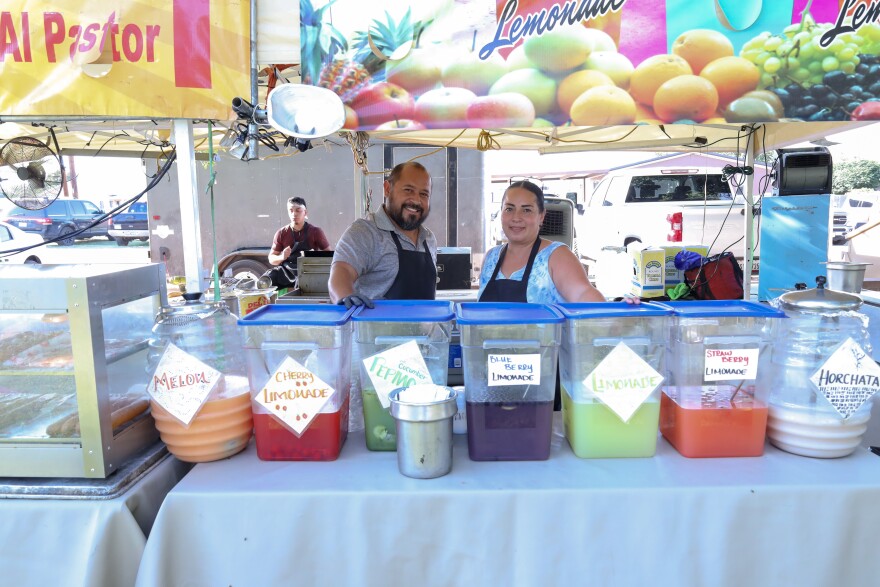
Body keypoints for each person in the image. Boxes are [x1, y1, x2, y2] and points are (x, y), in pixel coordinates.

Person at [329, 161, 437, 308]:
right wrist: (344, 295)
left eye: (424, 194)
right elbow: (342, 271)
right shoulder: (365, 232)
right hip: (378, 330)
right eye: (408, 190)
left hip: (423, 330)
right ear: (387, 189)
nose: (416, 200)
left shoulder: (429, 238)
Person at [479, 180, 606, 304]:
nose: (516, 217)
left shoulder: (557, 256)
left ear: (541, 216)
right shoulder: (490, 258)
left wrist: (617, 313)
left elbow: (582, 294)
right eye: (509, 209)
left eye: (526, 210)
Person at [264, 197, 331, 288]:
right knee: (266, 280)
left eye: (298, 210)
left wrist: (314, 255)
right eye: (291, 211)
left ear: (305, 212)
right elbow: (271, 259)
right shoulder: (281, 233)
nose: (294, 214)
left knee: (302, 283)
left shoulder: (315, 232)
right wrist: (282, 257)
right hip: (287, 271)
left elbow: (329, 255)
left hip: (308, 269)